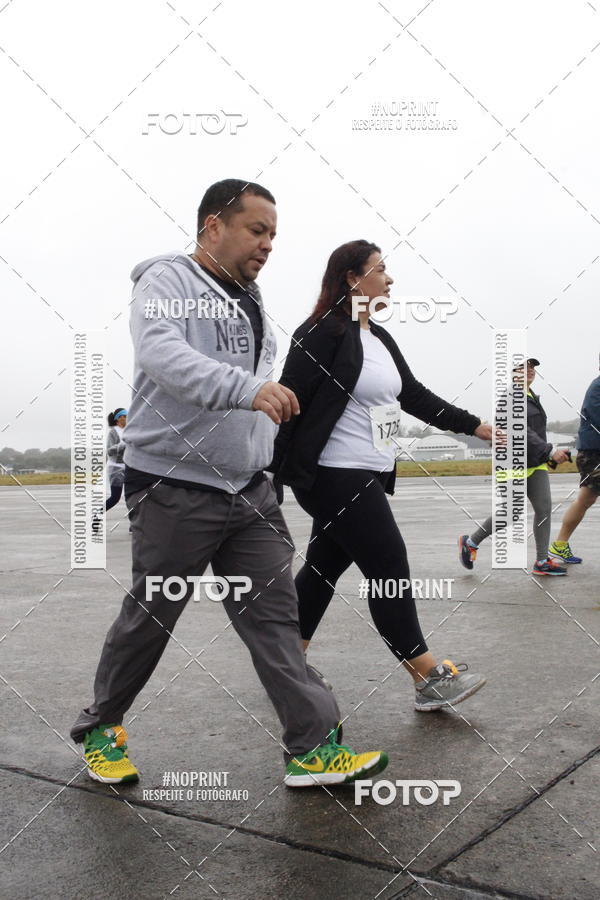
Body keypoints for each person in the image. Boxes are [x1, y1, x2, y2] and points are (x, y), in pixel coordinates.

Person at [70, 180, 388, 788]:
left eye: (273, 235)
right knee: (153, 614)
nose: (267, 244)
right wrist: (247, 389)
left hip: (249, 491)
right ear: (213, 225)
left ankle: (311, 748)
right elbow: (163, 355)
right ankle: (100, 727)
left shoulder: (251, 297)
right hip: (173, 483)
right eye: (257, 229)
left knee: (275, 620)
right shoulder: (167, 282)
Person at [270, 239, 489, 712]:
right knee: (389, 564)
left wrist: (475, 426)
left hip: (366, 472)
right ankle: (427, 675)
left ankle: (287, 662)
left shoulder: (379, 337)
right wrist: (272, 478)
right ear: (353, 278)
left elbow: (413, 395)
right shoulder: (320, 333)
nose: (390, 280)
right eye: (381, 270)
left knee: (324, 568)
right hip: (332, 474)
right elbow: (288, 403)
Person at [459, 358, 570, 575]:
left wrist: (547, 456)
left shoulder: (530, 397)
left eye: (532, 367)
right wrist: (549, 450)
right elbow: (522, 431)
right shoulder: (510, 398)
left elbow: (535, 433)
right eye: (523, 367)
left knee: (544, 509)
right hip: (511, 463)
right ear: (512, 373)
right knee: (511, 511)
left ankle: (541, 562)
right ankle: (471, 542)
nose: (529, 371)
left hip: (535, 464)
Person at [549, 366, 600, 564]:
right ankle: (559, 545)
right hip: (593, 454)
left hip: (591, 452)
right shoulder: (598, 386)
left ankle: (559, 545)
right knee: (585, 500)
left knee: (585, 499)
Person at [92, 408, 127, 534]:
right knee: (115, 498)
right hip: (115, 468)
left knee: (131, 495)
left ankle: (134, 524)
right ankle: (96, 516)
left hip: (129, 467)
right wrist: (122, 445)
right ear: (118, 419)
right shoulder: (113, 432)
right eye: (124, 416)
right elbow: (109, 450)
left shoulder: (129, 431)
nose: (127, 418)